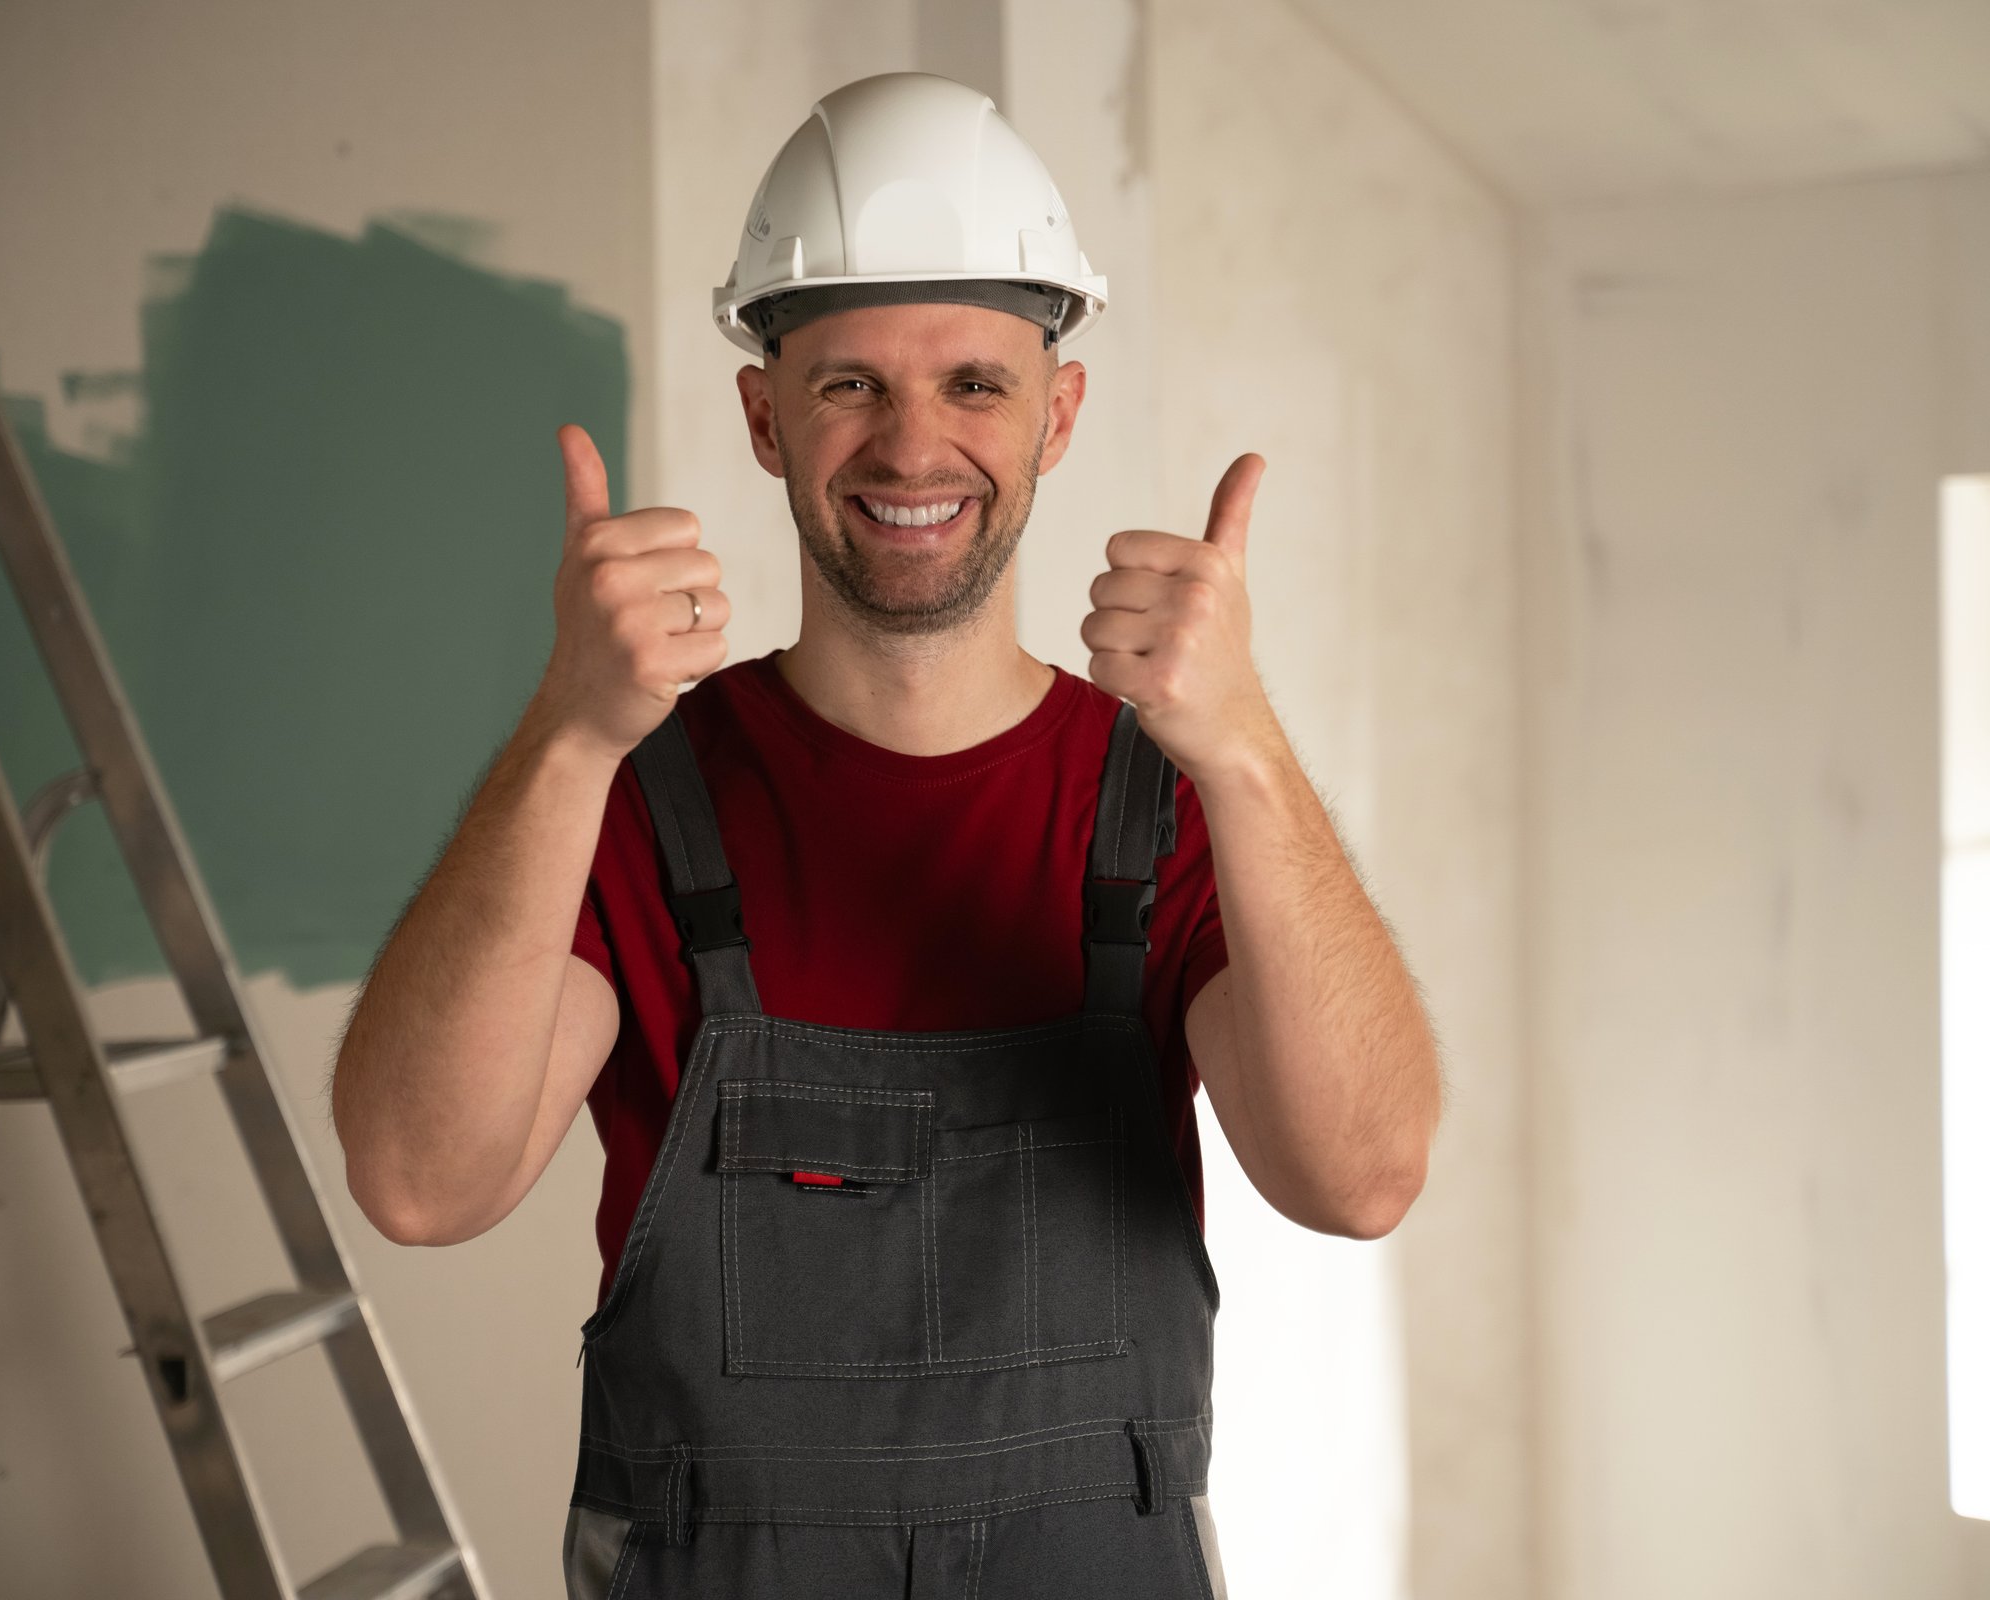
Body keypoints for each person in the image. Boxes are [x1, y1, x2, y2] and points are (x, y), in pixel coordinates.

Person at [331, 71, 1441, 1599]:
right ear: (763, 411)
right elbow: (415, 1181)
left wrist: (1245, 749)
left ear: (1058, 413)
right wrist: (567, 733)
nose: (914, 447)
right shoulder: (634, 798)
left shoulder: (1168, 801)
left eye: (975, 384)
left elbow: (1361, 1177)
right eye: (849, 381)